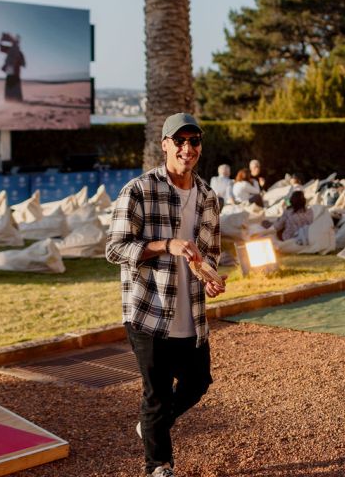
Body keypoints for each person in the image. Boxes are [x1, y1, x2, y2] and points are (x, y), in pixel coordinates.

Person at [106, 112, 226, 477]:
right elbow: (115, 248)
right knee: (156, 395)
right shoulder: (138, 190)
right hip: (148, 311)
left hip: (192, 313)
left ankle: (152, 427)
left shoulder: (207, 196)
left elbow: (210, 253)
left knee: (198, 382)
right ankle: (158, 465)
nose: (187, 148)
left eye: (194, 141)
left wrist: (209, 276)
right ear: (165, 145)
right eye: (180, 141)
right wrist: (166, 245)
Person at [0, 33, 26, 102]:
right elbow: (1, 48)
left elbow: (23, 63)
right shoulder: (10, 49)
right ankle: (9, 99)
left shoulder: (19, 52)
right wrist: (1, 40)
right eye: (16, 40)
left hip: (16, 70)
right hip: (10, 68)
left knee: (15, 83)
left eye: (18, 41)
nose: (17, 42)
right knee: (10, 82)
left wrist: (18, 62)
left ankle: (17, 100)